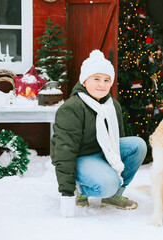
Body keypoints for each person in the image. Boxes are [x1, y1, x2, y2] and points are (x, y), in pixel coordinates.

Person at [51, 50, 147, 217]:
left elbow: (118, 139)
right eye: (96, 79)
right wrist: (66, 194)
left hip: (103, 153)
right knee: (108, 183)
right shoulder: (72, 108)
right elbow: (64, 152)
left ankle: (113, 196)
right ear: (85, 80)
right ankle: (80, 189)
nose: (102, 85)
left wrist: (116, 162)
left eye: (106, 80)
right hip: (80, 157)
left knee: (138, 145)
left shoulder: (112, 105)